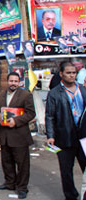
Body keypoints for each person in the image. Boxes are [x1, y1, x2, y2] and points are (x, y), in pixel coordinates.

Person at [45, 62, 86, 200]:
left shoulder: (83, 89)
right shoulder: (54, 93)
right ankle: (71, 196)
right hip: (64, 137)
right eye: (68, 73)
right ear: (61, 74)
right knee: (66, 171)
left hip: (83, 137)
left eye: (74, 73)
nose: (72, 75)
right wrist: (50, 136)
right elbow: (49, 116)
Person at [0, 72, 36, 199]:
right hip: (5, 134)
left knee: (22, 163)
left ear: (19, 82)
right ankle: (10, 183)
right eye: (11, 81)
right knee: (6, 161)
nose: (13, 83)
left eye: (16, 81)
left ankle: (22, 187)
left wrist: (16, 121)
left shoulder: (25, 95)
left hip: (19, 134)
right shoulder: (1, 95)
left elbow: (31, 113)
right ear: (7, 81)